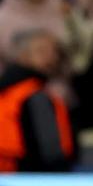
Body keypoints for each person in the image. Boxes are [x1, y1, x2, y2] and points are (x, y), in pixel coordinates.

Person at [0, 29, 73, 172]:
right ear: (22, 56)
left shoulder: (10, 90)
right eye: (42, 51)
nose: (51, 58)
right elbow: (50, 153)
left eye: (54, 52)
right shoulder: (34, 95)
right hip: (27, 182)